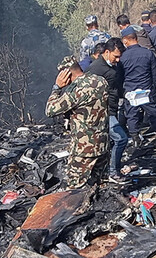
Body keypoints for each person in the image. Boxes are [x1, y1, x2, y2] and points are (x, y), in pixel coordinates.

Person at [45, 60, 112, 188]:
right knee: (101, 186)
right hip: (103, 145)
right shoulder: (101, 81)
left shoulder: (76, 90)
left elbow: (50, 110)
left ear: (66, 74)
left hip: (83, 149)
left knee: (75, 188)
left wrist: (57, 88)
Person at [84, 39, 128, 175]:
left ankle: (109, 169)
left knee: (110, 142)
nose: (118, 60)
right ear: (107, 52)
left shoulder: (113, 66)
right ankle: (113, 172)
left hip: (112, 109)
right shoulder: (96, 69)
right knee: (121, 139)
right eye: (116, 56)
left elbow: (115, 86)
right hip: (102, 112)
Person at [120, 27, 156, 145]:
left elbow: (120, 76)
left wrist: (123, 91)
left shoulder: (122, 57)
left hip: (131, 91)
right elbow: (155, 74)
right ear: (136, 38)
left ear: (125, 41)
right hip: (147, 90)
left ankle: (135, 139)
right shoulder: (148, 53)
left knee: (132, 116)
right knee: (155, 113)